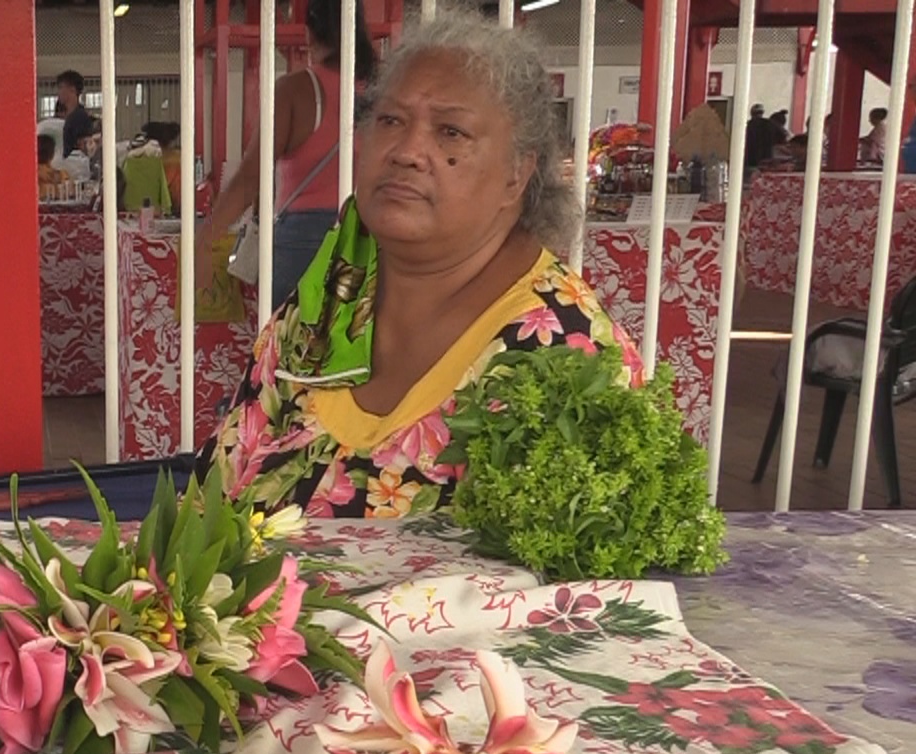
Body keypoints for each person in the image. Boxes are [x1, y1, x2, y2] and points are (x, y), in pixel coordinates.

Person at [205, 10, 643, 518]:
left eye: (451, 132)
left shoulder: (563, 352)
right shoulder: (328, 298)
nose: (408, 150)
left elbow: (565, 587)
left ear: (516, 175)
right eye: (390, 120)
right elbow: (216, 490)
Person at [198, 0, 377, 307]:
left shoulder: (296, 90)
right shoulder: (379, 88)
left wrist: (205, 239)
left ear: (308, 34)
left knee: (287, 345)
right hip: (368, 235)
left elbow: (249, 177)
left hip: (302, 242)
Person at [56, 70, 94, 158]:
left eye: (61, 87)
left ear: (72, 90)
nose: (59, 92)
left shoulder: (80, 117)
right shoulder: (63, 117)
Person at [743, 104, 779, 178]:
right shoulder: (770, 124)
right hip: (767, 159)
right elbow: (782, 137)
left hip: (750, 160)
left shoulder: (747, 125)